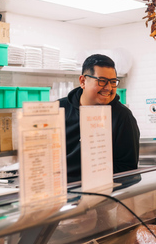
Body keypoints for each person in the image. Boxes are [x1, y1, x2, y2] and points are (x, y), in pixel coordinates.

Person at [59, 54, 140, 183]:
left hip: (103, 194)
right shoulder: (59, 109)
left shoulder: (123, 117)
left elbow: (128, 170)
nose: (108, 88)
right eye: (102, 81)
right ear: (82, 81)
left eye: (113, 82)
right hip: (61, 193)